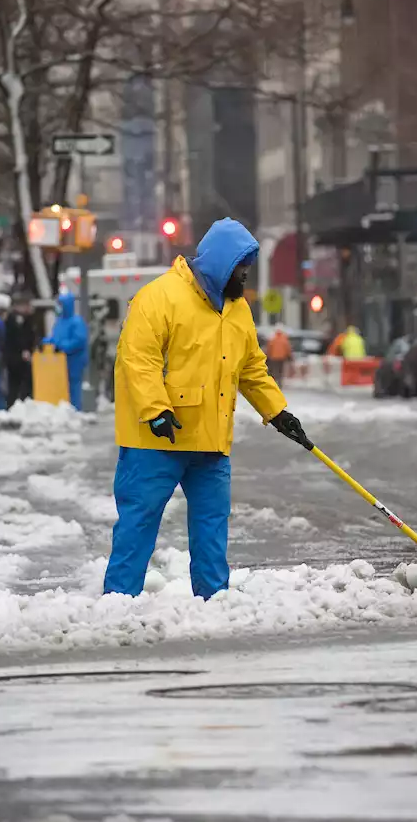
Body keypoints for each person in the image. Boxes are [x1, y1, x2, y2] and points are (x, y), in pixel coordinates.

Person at [105, 217, 309, 600]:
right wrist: (155, 411)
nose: (245, 275)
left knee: (212, 527)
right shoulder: (158, 298)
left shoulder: (237, 310)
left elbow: (250, 367)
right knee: (139, 522)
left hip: (211, 441)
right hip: (156, 439)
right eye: (241, 267)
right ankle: (118, 601)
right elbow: (138, 359)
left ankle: (214, 600)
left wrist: (277, 411)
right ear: (220, 263)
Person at [42, 291, 89, 410]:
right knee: (62, 385)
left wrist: (62, 346)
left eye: (61, 304)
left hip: (74, 360)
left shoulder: (76, 321)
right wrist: (46, 342)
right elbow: (55, 337)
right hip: (60, 361)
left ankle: (75, 409)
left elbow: (79, 340)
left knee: (73, 385)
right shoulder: (60, 321)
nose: (58, 307)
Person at [3, 295, 39, 405]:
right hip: (16, 358)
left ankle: (21, 403)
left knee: (22, 384)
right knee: (16, 384)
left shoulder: (29, 320)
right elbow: (16, 338)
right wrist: (24, 351)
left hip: (22, 356)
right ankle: (15, 404)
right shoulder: (13, 320)